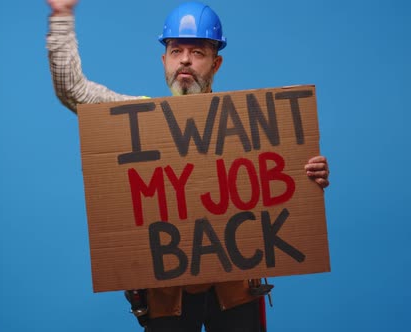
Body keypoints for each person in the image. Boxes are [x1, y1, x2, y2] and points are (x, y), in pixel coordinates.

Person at [46, 1, 330, 331]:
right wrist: (62, 17)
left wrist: (307, 174)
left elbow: (277, 181)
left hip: (237, 290)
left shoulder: (249, 126)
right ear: (164, 59)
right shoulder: (134, 119)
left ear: (215, 63)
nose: (185, 59)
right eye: (176, 49)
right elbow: (71, 89)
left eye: (197, 52)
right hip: (168, 296)